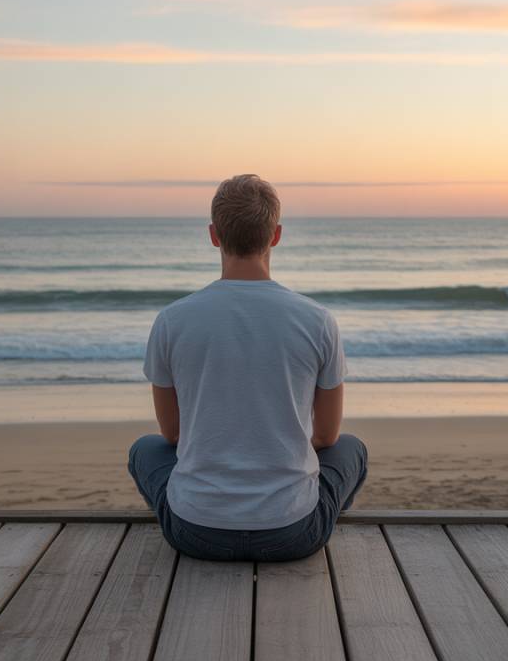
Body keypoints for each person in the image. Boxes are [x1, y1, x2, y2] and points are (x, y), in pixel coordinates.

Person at [127, 173, 367, 561]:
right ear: (276, 235)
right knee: (351, 447)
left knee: (145, 448)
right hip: (292, 534)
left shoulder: (172, 320)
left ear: (213, 235)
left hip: (194, 531)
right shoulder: (317, 321)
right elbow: (325, 437)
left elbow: (172, 434)